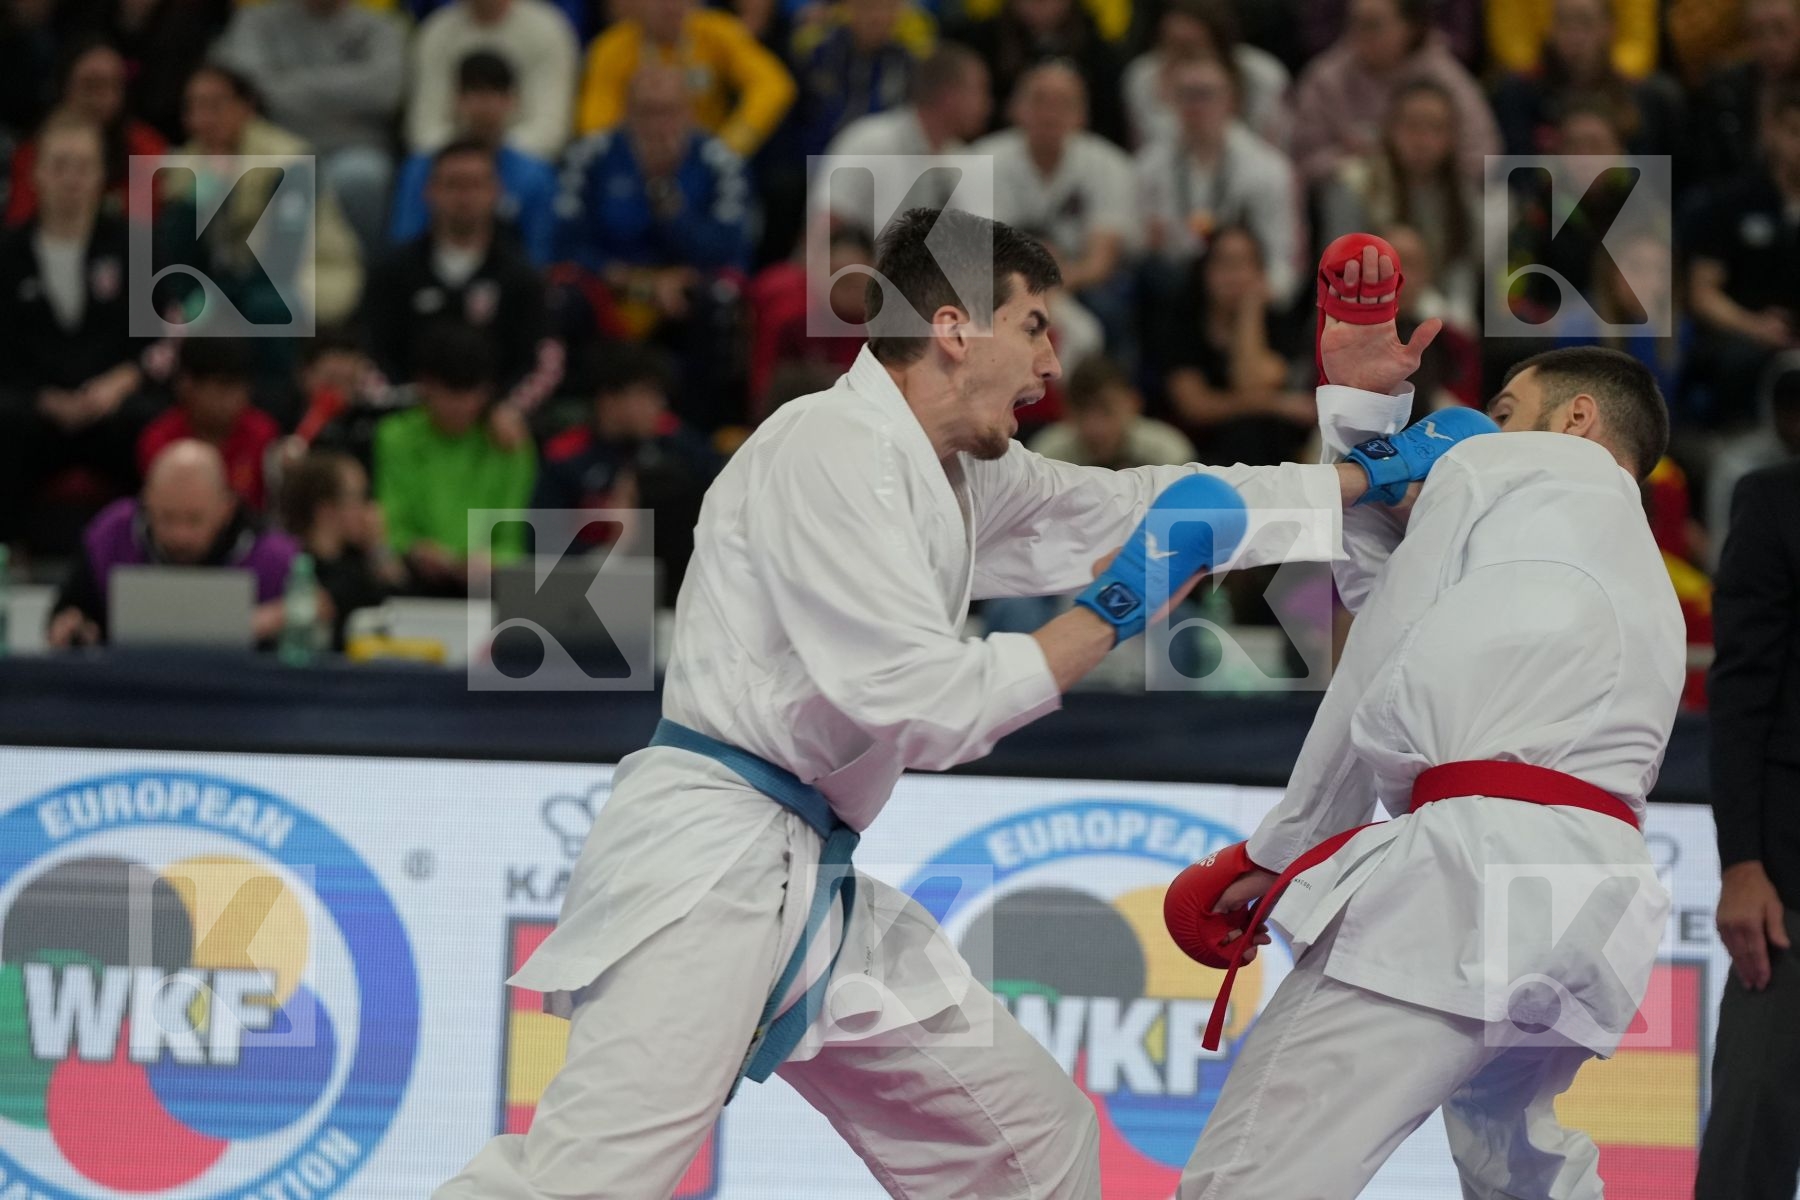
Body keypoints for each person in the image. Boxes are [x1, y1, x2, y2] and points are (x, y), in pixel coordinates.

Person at [432, 206, 1487, 1200]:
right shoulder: (827, 449)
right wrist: (1110, 612)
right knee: (584, 1185)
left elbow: (1146, 508)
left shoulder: (959, 474)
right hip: (709, 860)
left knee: (1034, 1154)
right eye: (1033, 327)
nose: (1050, 363)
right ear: (951, 327)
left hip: (813, 881)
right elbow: (919, 698)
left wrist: (1367, 472)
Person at [1168, 254, 1684, 1198]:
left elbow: (1380, 654)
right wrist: (1359, 416)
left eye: (1509, 406)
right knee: (1520, 1161)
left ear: (1576, 420)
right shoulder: (1637, 573)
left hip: (1469, 879)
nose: (1483, 429)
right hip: (1591, 901)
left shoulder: (1498, 461)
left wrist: (1283, 850)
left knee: (1253, 1172)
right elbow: (1400, 587)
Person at [1696, 455, 1800, 1200]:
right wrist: (1742, 864)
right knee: (1749, 1145)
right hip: (1789, 888)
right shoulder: (1778, 501)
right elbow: (1740, 691)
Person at [558, 65, 754, 429]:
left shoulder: (718, 161)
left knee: (721, 298)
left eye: (670, 111)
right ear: (627, 114)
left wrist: (668, 202)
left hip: (684, 289)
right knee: (562, 297)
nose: (659, 124)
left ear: (689, 113)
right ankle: (574, 424)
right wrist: (631, 280)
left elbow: (726, 246)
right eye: (647, 112)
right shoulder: (591, 156)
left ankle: (704, 429)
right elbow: (568, 242)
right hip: (613, 285)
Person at [0, 112, 153, 554]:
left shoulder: (135, 246)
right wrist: (41, 397)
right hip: (33, 407)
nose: (71, 178)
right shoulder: (8, 254)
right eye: (60, 165)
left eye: (83, 166)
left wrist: (119, 383)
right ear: (36, 173)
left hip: (111, 406)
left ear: (101, 174)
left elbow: (163, 337)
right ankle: (8, 553)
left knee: (148, 423)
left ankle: (144, 552)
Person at [362, 137, 559, 437]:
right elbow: (372, 352)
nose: (465, 197)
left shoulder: (521, 277)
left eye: (476, 185)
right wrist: (421, 406)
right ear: (429, 191)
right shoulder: (393, 272)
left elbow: (540, 360)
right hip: (408, 422)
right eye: (453, 184)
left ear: (496, 192)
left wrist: (501, 407)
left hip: (496, 426)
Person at [159, 63, 364, 333]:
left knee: (267, 306)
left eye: (214, 106)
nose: (201, 120)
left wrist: (218, 298)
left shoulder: (289, 160)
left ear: (247, 106)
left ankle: (276, 377)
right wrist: (198, 197)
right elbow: (175, 253)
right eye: (192, 108)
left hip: (311, 274)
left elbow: (280, 261)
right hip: (232, 280)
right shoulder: (185, 165)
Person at [46, 439, 299, 648]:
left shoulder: (274, 557)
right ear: (147, 503)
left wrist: (291, 614)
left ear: (226, 509)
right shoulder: (110, 537)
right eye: (166, 517)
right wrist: (71, 624)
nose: (180, 536)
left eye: (194, 519)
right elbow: (69, 609)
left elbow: (317, 609)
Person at [213, 0, 406, 253]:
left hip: (353, 149)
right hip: (274, 147)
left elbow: (385, 92)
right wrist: (346, 94)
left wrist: (285, 83)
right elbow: (247, 88)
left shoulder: (382, 28)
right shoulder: (255, 23)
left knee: (362, 179)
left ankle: (364, 280)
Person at [973, 62, 1137, 359]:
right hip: (999, 281)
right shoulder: (982, 160)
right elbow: (979, 253)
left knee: (1109, 308)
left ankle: (1104, 397)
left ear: (1082, 115)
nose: (1050, 113)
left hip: (1076, 279)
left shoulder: (1109, 164)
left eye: (1063, 104)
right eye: (1039, 100)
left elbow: (1101, 260)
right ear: (1015, 109)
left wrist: (1052, 283)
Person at [533, 344, 722, 598]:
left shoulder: (678, 444)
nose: (657, 405)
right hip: (586, 599)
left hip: (677, 593)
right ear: (609, 400)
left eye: (659, 395)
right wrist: (616, 543)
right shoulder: (567, 457)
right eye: (645, 394)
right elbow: (544, 551)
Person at [372, 326, 536, 596]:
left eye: (471, 393)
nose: (461, 405)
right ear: (425, 385)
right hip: (415, 580)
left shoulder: (510, 442)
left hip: (491, 585)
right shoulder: (396, 436)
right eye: (450, 393)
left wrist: (492, 559)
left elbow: (514, 538)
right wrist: (414, 547)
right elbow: (390, 520)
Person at [1135, 55, 1302, 310]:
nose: (1195, 106)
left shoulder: (1267, 169)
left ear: (1231, 101)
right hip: (1178, 291)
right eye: (1186, 95)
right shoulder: (1150, 166)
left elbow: (1281, 257)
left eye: (1205, 94)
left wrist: (1265, 294)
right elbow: (1138, 243)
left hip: (1246, 292)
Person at [1686, 83, 1800, 431]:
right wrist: (1754, 327)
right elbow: (1702, 293)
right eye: (1795, 132)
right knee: (1736, 362)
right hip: (1747, 336)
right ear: (1773, 132)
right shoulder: (1731, 201)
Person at [1289, 0, 1500, 188]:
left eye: (1373, 25)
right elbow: (1302, 158)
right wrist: (1363, 160)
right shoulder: (1326, 78)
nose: (1359, 34)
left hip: (1434, 204)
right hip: (1356, 203)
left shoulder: (1446, 79)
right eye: (1353, 23)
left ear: (1410, 27)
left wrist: (1426, 160)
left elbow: (1482, 155)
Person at [1161, 224, 1315, 466]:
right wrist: (1278, 404)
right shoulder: (1183, 324)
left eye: (1244, 264)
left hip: (1267, 445)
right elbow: (1195, 407)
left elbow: (1251, 380)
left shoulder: (1278, 323)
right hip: (1201, 450)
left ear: (1260, 273)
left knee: (1258, 431)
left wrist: (1249, 312)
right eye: (1224, 263)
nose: (1233, 275)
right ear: (1205, 271)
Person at [388, 50, 558, 265]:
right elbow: (405, 242)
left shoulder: (537, 175)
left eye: (496, 92)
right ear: (456, 100)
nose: (485, 105)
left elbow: (539, 255)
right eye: (474, 92)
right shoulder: (420, 169)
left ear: (512, 101)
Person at [578, 0, 796, 158]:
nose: (671, 6)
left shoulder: (717, 31)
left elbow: (773, 85)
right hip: (636, 158)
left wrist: (732, 143)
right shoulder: (610, 49)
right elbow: (596, 125)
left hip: (707, 154)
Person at [4, 39, 167, 227]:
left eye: (113, 85)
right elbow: (20, 226)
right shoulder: (34, 152)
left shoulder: (144, 146)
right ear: (65, 88)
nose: (102, 98)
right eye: (90, 85)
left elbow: (142, 235)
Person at [405, 0, 578, 161]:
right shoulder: (437, 31)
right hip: (449, 160)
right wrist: (463, 155)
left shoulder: (547, 29)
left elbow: (549, 130)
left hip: (523, 160)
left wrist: (492, 157)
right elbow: (424, 128)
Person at [1122, 0, 1290, 151]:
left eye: (1189, 47)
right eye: (1170, 45)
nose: (1178, 56)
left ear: (1219, 45)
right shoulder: (1142, 77)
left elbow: (1273, 152)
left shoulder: (1263, 75)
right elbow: (1142, 152)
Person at [137, 338, 282, 512]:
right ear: (187, 385)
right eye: (223, 387)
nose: (235, 398)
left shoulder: (263, 433)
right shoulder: (160, 441)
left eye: (241, 387)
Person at [279, 449, 402, 648]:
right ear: (326, 510)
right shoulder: (292, 565)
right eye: (359, 498)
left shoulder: (361, 566)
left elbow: (401, 616)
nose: (369, 510)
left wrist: (379, 548)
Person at [1030, 355, 1194, 468]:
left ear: (1134, 404)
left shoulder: (1167, 453)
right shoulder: (1046, 457)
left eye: (1107, 411)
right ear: (1067, 412)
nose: (1095, 427)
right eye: (1082, 412)